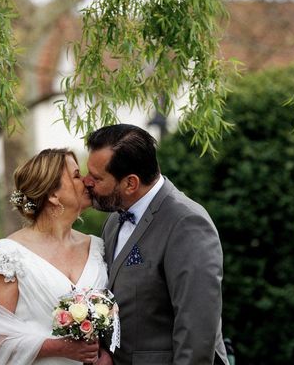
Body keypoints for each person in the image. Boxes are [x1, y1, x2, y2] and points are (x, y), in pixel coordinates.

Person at [83, 124, 229, 365]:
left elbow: (197, 328)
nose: (86, 182)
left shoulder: (186, 223)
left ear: (131, 183)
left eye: (97, 177)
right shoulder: (113, 221)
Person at [0, 148, 113, 365]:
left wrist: (105, 353)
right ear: (52, 194)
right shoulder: (7, 255)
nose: (87, 181)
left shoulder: (97, 247)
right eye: (76, 175)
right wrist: (60, 348)